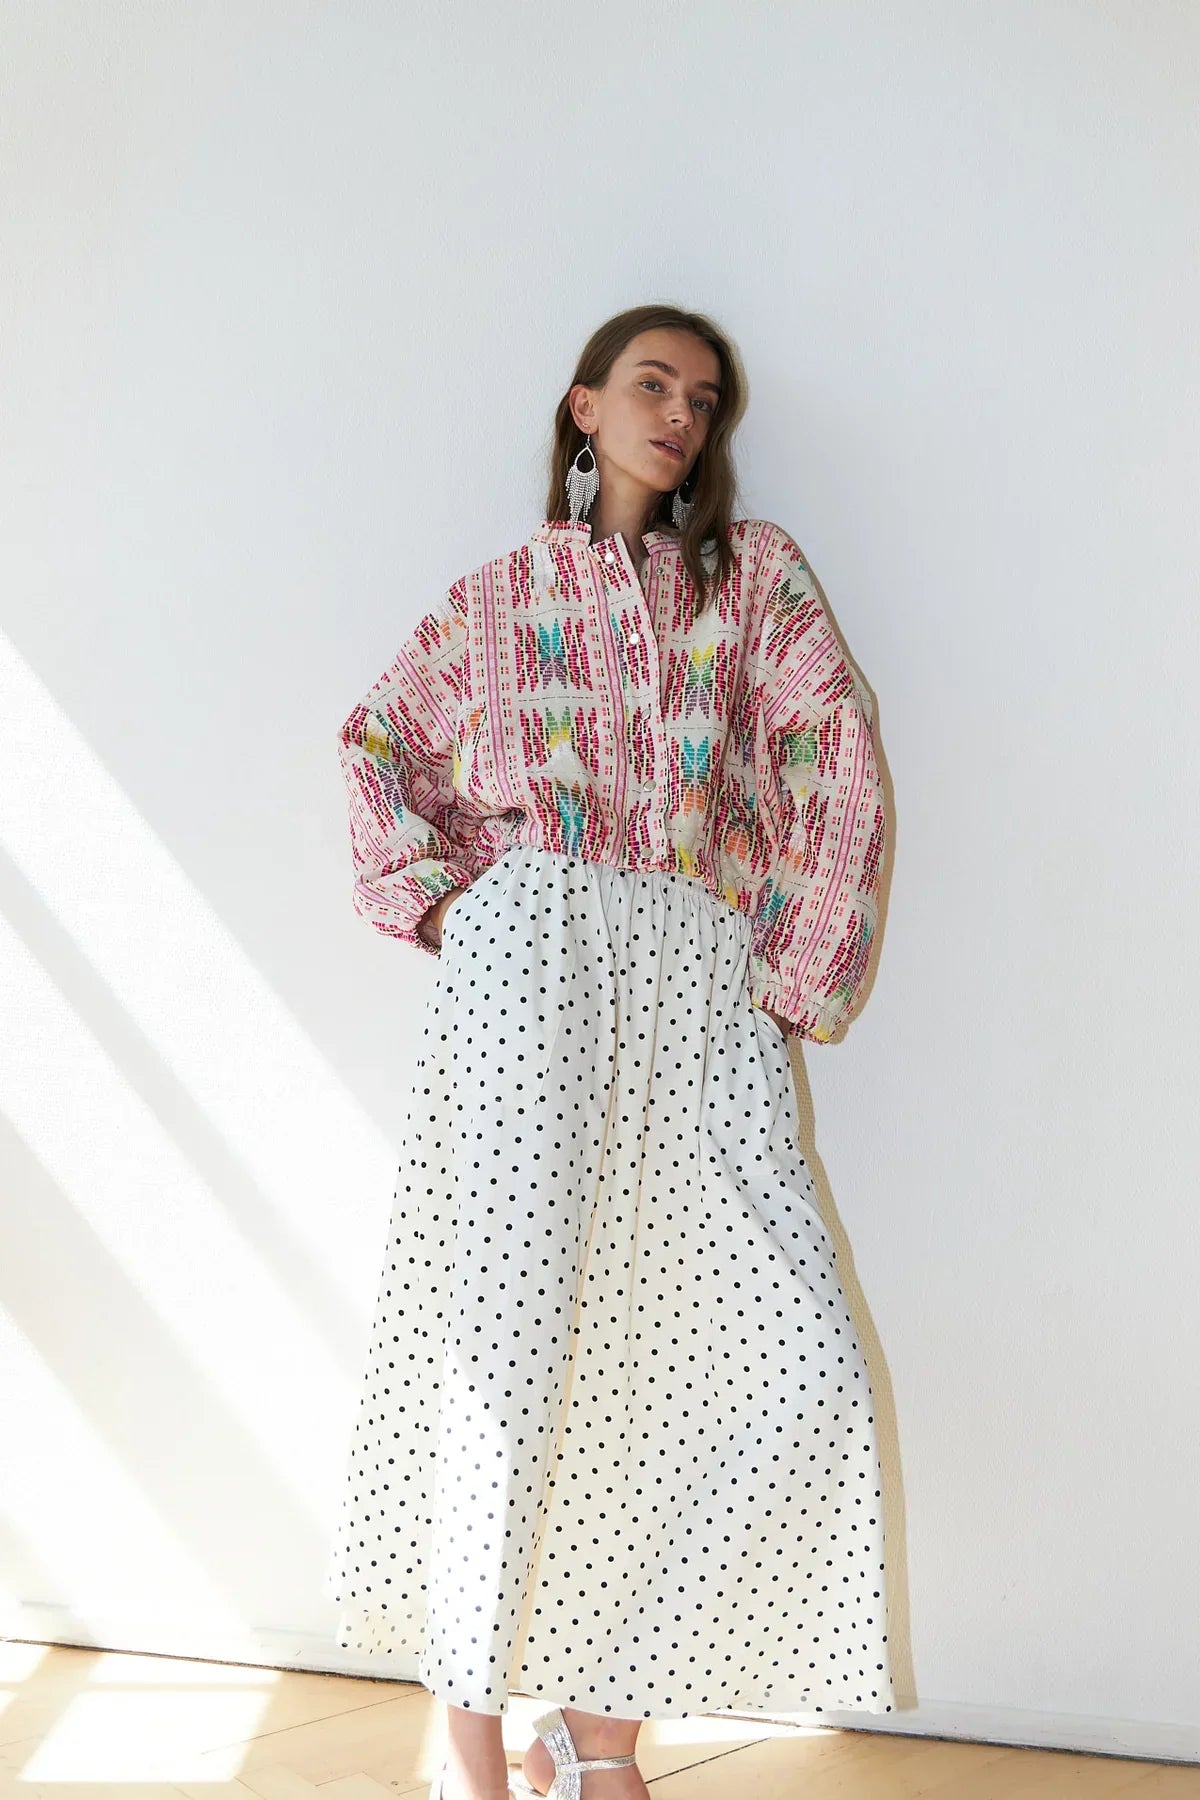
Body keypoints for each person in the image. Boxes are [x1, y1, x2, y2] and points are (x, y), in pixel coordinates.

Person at [325, 304, 895, 1800]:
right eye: (652, 384)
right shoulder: (501, 599)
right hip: (534, 966)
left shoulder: (753, 580)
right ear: (584, 408)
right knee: (503, 1350)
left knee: (786, 1367)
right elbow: (378, 747)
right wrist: (458, 907)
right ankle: (470, 1738)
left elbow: (834, 747)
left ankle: (596, 1729)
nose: (680, 415)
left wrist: (793, 962)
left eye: (703, 398)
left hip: (698, 969)